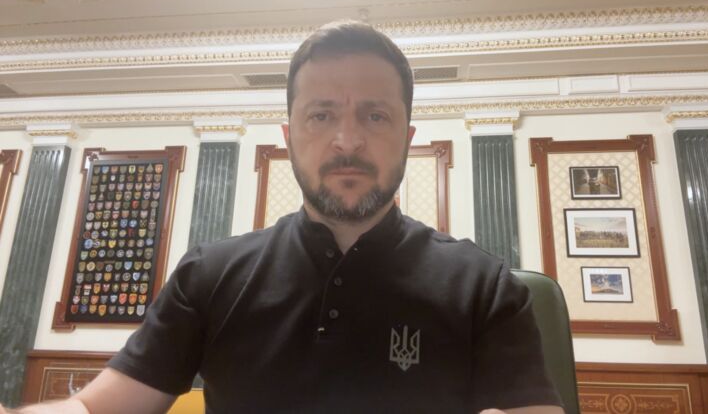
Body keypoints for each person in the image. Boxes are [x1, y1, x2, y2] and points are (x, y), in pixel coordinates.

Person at [1, 21, 563, 414]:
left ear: (407, 137)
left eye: (375, 115)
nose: (348, 140)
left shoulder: (485, 286)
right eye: (321, 115)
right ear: (289, 138)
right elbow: (97, 408)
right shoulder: (209, 275)